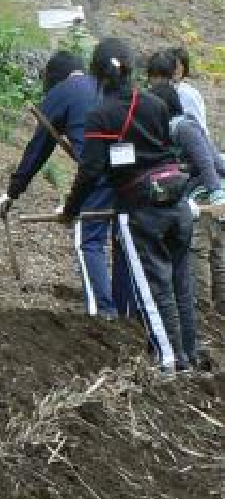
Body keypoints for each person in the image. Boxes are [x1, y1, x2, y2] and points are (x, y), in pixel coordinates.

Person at [61, 39, 197, 374]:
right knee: (180, 284)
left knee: (153, 288)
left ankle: (169, 364)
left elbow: (91, 169)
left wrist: (71, 210)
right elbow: (161, 148)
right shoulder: (154, 103)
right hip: (176, 201)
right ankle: (188, 356)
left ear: (97, 75)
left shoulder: (100, 114)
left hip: (141, 209)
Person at [0, 51, 119, 318]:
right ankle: (129, 309)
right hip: (129, 171)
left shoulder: (63, 91)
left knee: (89, 242)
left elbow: (39, 147)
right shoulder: (103, 85)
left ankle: (104, 314)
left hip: (98, 173)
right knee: (123, 240)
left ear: (54, 77)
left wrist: (12, 191)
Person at [147, 52, 225, 323]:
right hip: (200, 190)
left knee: (202, 250)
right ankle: (215, 312)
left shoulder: (183, 128)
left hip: (208, 193)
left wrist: (216, 194)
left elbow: (207, 161)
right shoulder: (169, 130)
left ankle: (206, 311)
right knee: (215, 252)